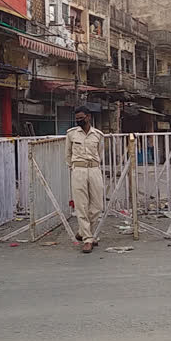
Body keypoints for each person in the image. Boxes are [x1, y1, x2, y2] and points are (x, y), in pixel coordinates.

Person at [65, 106, 105, 254]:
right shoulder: (71, 134)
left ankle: (82, 232)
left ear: (88, 117)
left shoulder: (98, 135)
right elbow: (67, 155)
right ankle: (88, 239)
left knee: (97, 205)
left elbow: (100, 152)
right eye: (77, 118)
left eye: (81, 118)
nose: (79, 121)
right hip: (79, 170)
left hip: (94, 169)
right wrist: (75, 167)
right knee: (81, 205)